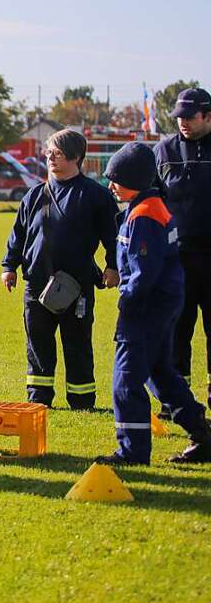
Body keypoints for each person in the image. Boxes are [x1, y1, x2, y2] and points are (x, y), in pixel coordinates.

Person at [95, 142, 211, 464]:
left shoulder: (144, 215)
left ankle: (131, 452)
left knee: (126, 379)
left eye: (115, 178)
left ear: (134, 178)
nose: (111, 185)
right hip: (163, 306)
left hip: (145, 309)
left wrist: (127, 301)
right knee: (160, 373)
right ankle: (201, 433)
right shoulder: (151, 206)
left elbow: (145, 272)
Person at [1, 129, 119, 410]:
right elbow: (18, 234)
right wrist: (9, 266)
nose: (50, 158)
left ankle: (82, 401)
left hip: (76, 286)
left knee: (77, 344)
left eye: (58, 154)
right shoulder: (33, 195)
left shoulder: (96, 195)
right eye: (49, 153)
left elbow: (112, 235)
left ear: (76, 157)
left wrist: (113, 266)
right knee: (38, 344)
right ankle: (39, 400)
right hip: (36, 283)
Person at [153, 87, 211, 406]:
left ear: (208, 115)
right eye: (178, 118)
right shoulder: (163, 150)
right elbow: (153, 198)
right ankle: (176, 399)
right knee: (176, 329)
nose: (183, 123)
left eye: (189, 117)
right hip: (177, 258)